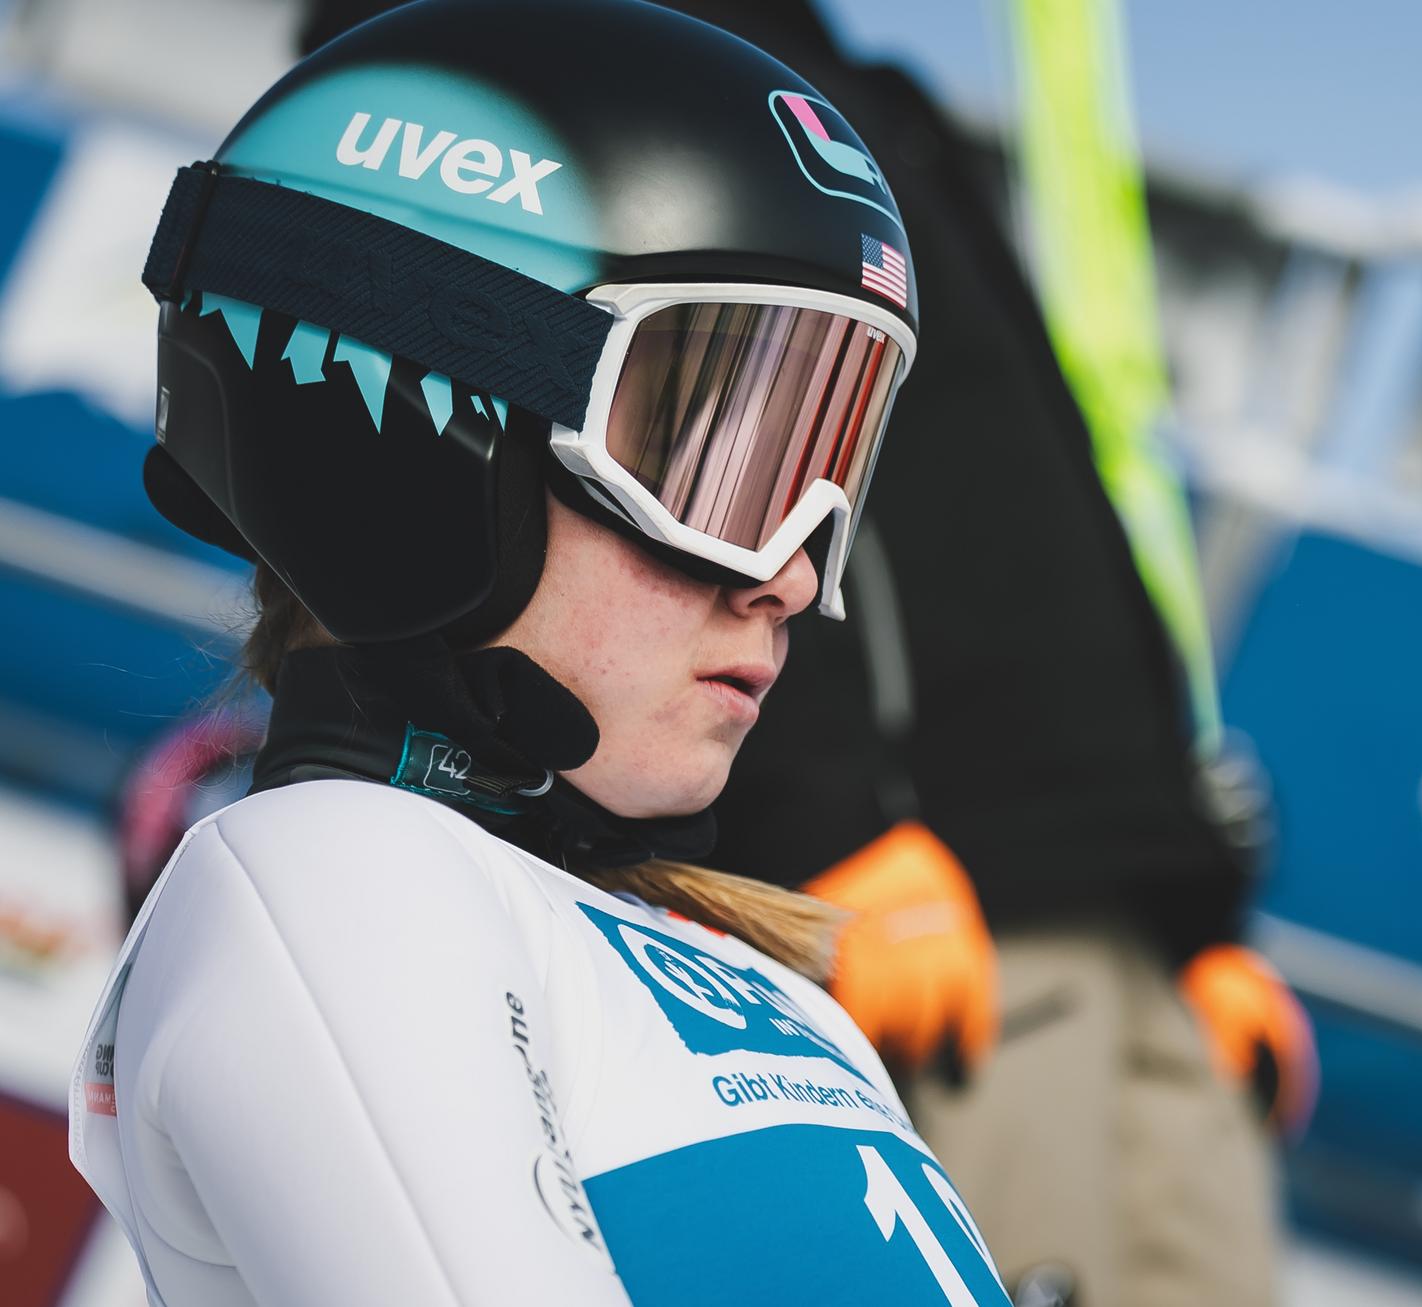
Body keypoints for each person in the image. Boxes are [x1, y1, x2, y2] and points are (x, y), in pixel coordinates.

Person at [67, 3, 1009, 1304]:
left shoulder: (776, 992)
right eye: (719, 468)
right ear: (417, 427)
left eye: (821, 467)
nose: (792, 575)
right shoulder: (339, 880)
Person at [644, 4, 1319, 1304]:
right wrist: (826, 830)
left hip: (1129, 927)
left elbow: (1032, 509)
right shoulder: (645, 54)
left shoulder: (847, 85)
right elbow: (703, 469)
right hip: (942, 908)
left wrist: (1191, 909)